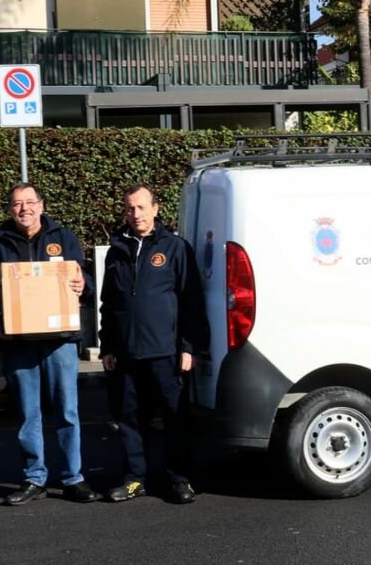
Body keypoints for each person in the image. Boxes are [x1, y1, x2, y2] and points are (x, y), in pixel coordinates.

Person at [0, 183, 100, 505]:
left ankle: (73, 478)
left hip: (59, 341)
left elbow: (85, 283)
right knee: (27, 413)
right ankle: (34, 478)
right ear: (9, 209)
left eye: (30, 202)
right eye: (17, 203)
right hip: (19, 343)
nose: (24, 209)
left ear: (41, 204)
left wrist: (83, 283)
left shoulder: (63, 238)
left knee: (67, 410)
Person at [100, 185, 208, 504]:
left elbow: (191, 301)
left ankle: (179, 479)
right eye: (131, 209)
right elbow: (109, 303)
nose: (136, 214)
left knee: (175, 418)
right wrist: (107, 346)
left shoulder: (175, 248)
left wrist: (188, 346)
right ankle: (135, 479)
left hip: (166, 353)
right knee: (130, 419)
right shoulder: (116, 250)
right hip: (126, 353)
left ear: (156, 209)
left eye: (142, 207)